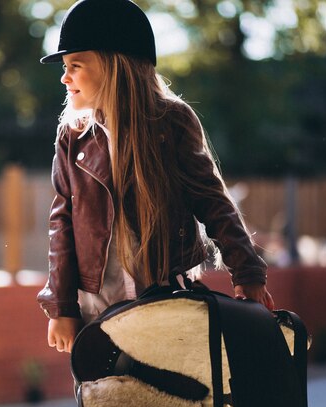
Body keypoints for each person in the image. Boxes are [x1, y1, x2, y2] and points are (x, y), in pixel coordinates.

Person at [37, 0, 274, 354]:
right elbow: (62, 223)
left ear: (114, 65)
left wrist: (247, 272)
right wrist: (61, 308)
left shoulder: (172, 121)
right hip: (96, 310)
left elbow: (213, 201)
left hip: (168, 297)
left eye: (75, 65)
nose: (64, 76)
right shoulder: (72, 137)